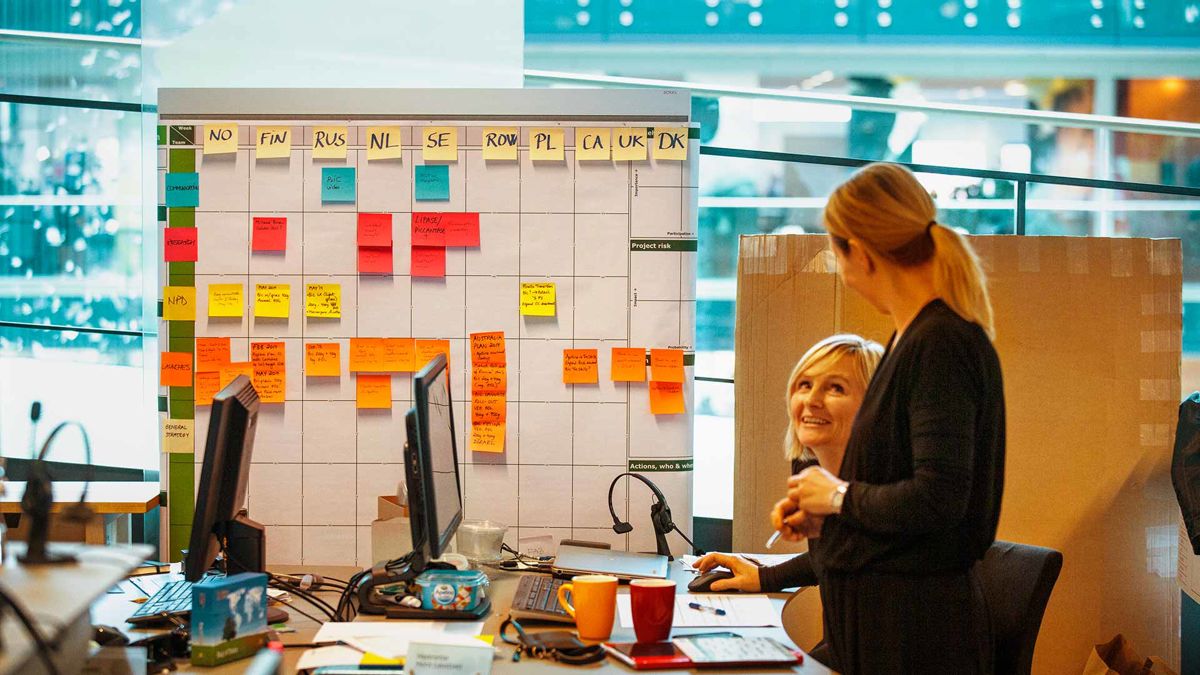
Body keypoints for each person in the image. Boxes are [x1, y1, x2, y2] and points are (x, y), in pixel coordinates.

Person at [774, 162, 1006, 674]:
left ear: (859, 252)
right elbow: (899, 494)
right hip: (885, 630)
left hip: (913, 639)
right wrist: (831, 517)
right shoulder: (912, 337)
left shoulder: (939, 343)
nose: (842, 272)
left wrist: (837, 496)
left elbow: (939, 497)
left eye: (837, 255)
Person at [692, 335, 883, 668]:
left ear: (876, 404)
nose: (812, 400)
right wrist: (763, 577)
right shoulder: (811, 468)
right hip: (846, 648)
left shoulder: (882, 494)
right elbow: (834, 557)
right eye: (804, 385)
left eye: (836, 388)